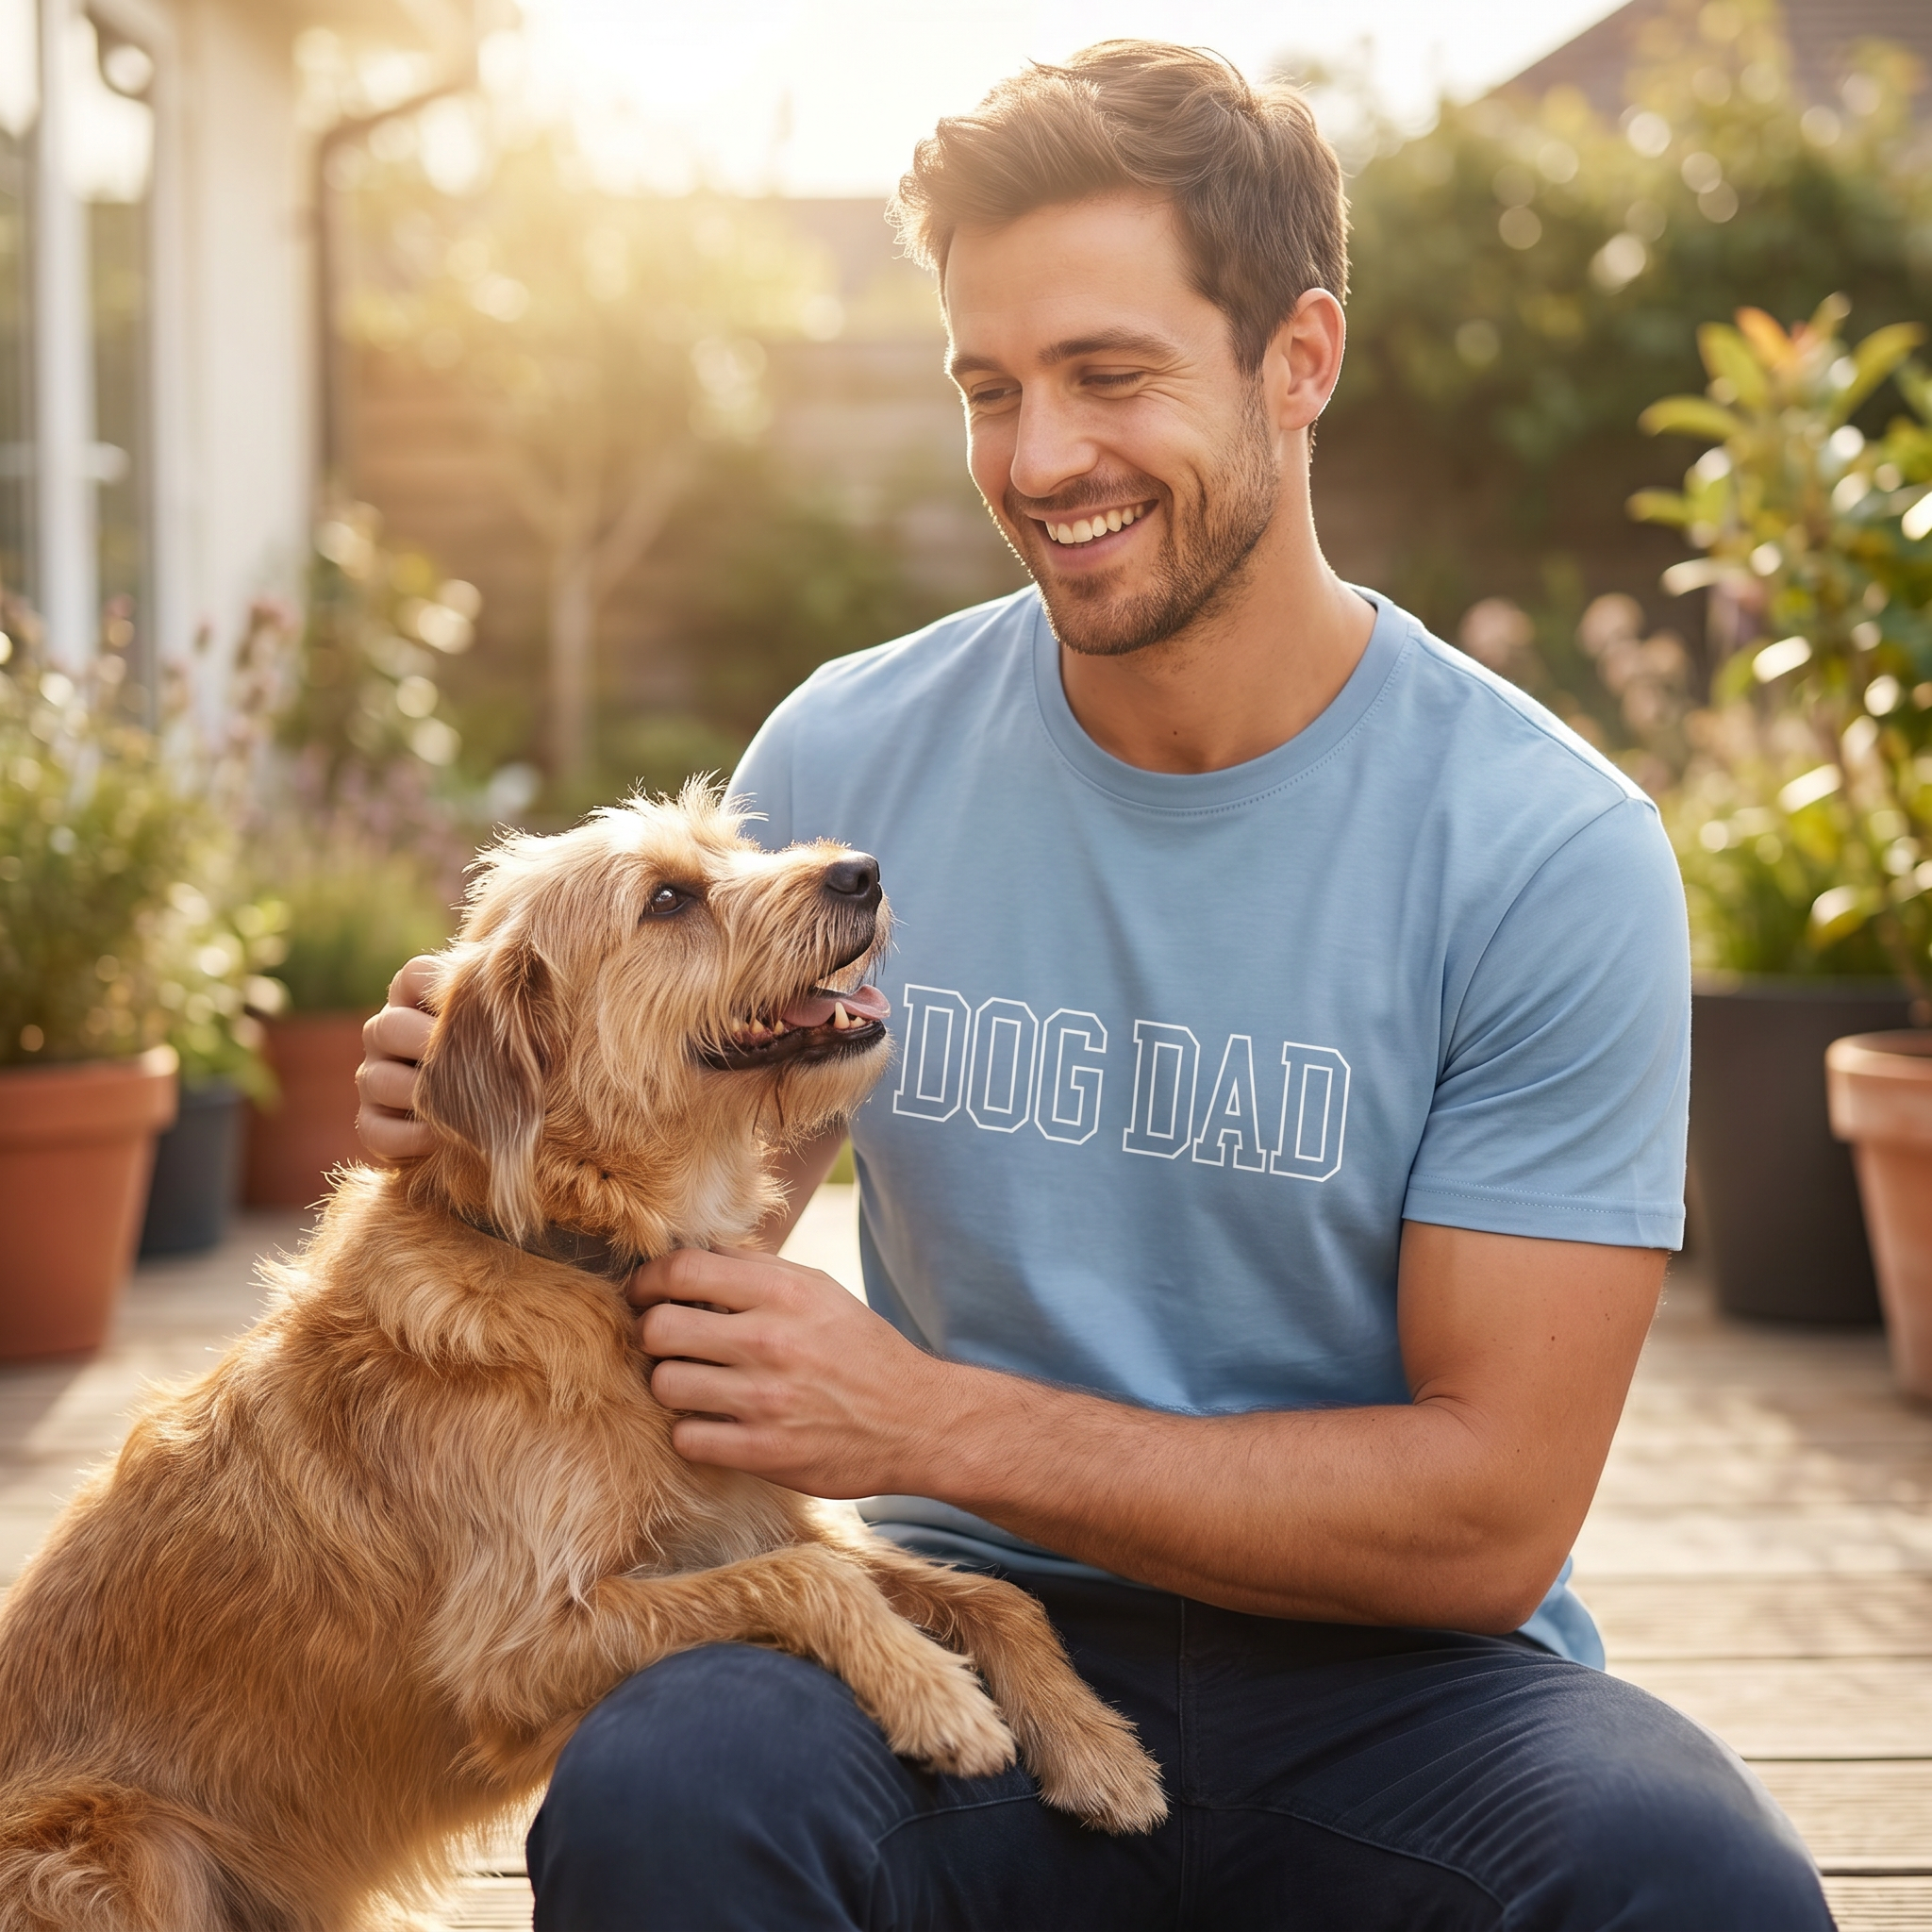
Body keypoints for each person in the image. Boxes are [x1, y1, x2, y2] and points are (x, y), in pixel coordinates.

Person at [357, 42, 1832, 1931]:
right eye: (993, 389)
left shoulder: (1543, 849)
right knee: (670, 1789)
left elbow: (1485, 1516)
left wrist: (928, 1425)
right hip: (950, 1642)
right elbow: (693, 1201)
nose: (1040, 459)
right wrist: (499, 1098)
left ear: (1299, 359)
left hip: (1400, 1688)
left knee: (1698, 1881)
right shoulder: (853, 755)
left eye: (1110, 376)